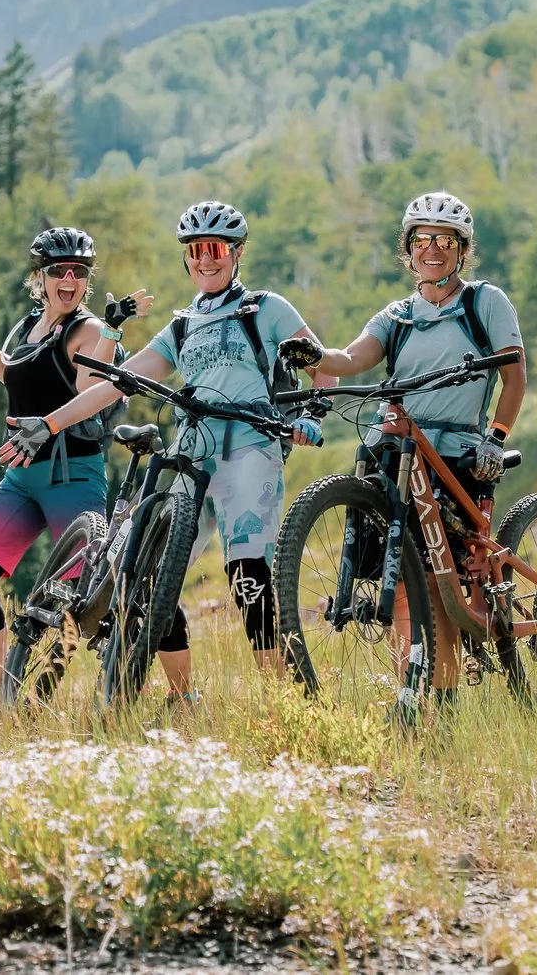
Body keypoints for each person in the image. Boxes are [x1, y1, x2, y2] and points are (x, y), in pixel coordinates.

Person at [17, 200, 323, 699]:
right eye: (196, 250)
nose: (206, 260)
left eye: (216, 249)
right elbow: (117, 382)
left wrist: (311, 414)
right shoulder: (182, 326)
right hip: (191, 455)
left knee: (248, 578)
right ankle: (184, 697)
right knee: (154, 575)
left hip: (250, 452)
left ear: (237, 251)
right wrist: (50, 424)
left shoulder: (267, 309)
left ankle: (282, 702)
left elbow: (321, 363)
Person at [299, 191, 525, 692]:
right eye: (423, 240)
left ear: (462, 249)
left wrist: (496, 438)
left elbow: (514, 377)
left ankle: (440, 692)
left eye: (446, 240)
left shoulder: (484, 302)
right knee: (405, 580)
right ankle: (417, 702)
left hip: (459, 453)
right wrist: (310, 355)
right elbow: (351, 359)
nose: (433, 249)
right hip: (396, 451)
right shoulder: (397, 315)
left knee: (448, 577)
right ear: (409, 248)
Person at [0, 225, 154, 696]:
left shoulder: (88, 329)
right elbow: (16, 378)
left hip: (72, 474)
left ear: (86, 278)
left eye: (78, 271)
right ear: (38, 276)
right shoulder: (28, 327)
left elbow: (89, 388)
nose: (68, 279)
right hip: (20, 477)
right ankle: (0, 689)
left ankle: (155, 686)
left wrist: (112, 329)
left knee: (91, 596)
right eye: (57, 270)